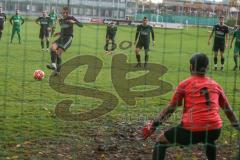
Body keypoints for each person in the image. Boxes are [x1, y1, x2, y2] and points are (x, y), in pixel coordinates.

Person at [141, 53, 240, 160]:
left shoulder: (185, 84)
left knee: (161, 141)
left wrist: (154, 126)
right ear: (207, 68)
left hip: (192, 130)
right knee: (209, 139)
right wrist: (237, 127)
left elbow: (171, 109)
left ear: (191, 67)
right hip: (215, 129)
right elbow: (228, 110)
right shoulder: (215, 85)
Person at [46, 7, 83, 76]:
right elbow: (64, 29)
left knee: (58, 53)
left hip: (68, 38)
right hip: (61, 37)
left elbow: (81, 25)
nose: (65, 14)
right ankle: (53, 64)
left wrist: (74, 22)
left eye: (66, 13)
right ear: (62, 12)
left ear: (68, 13)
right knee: (52, 47)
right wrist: (59, 33)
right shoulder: (61, 20)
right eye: (63, 13)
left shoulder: (71, 18)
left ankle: (57, 71)